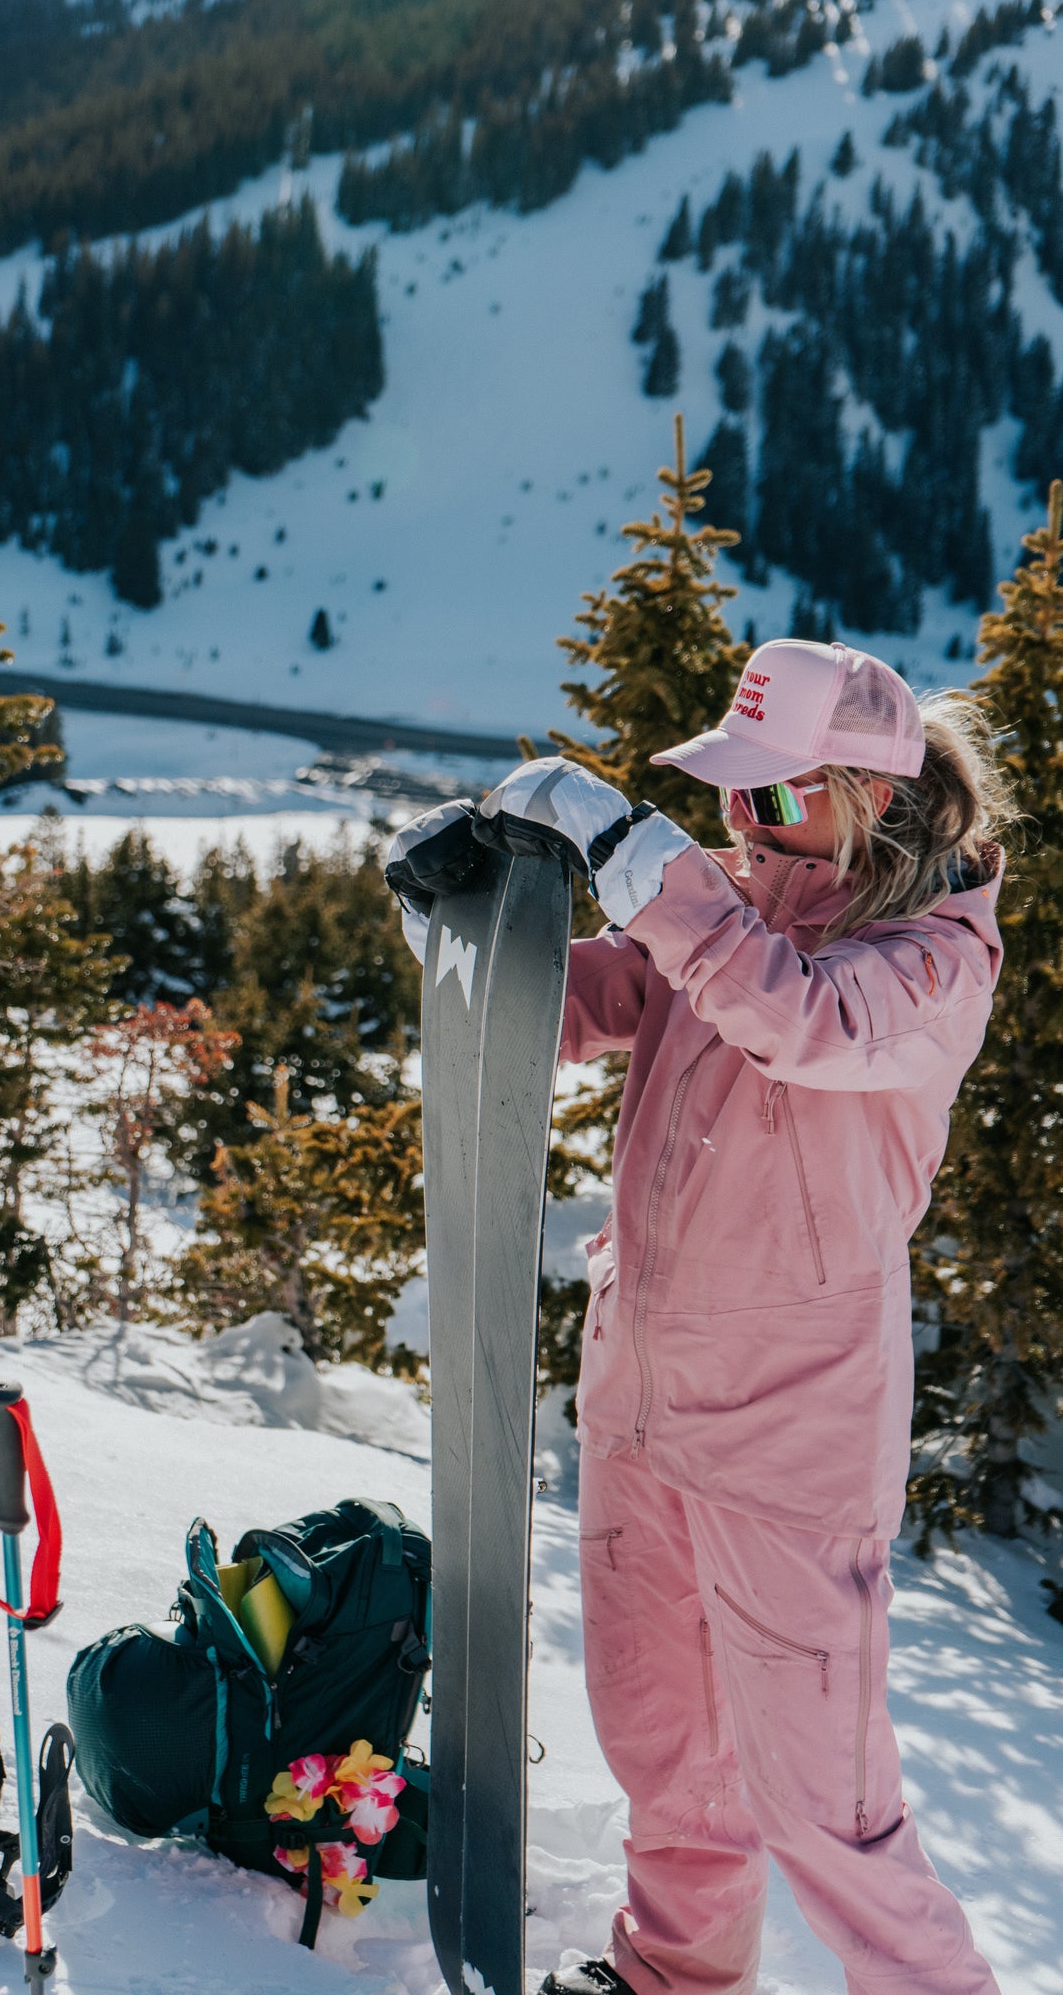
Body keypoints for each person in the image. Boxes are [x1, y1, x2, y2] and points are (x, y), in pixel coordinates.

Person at [387, 639, 1012, 1995]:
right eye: (731, 793)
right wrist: (456, 918)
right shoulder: (729, 908)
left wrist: (639, 856)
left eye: (771, 794)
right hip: (642, 1402)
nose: (744, 820)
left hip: (790, 1437)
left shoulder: (930, 966)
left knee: (828, 1812)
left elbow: (800, 1022)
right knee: (667, 1751)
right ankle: (677, 1975)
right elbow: (564, 1009)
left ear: (869, 794)